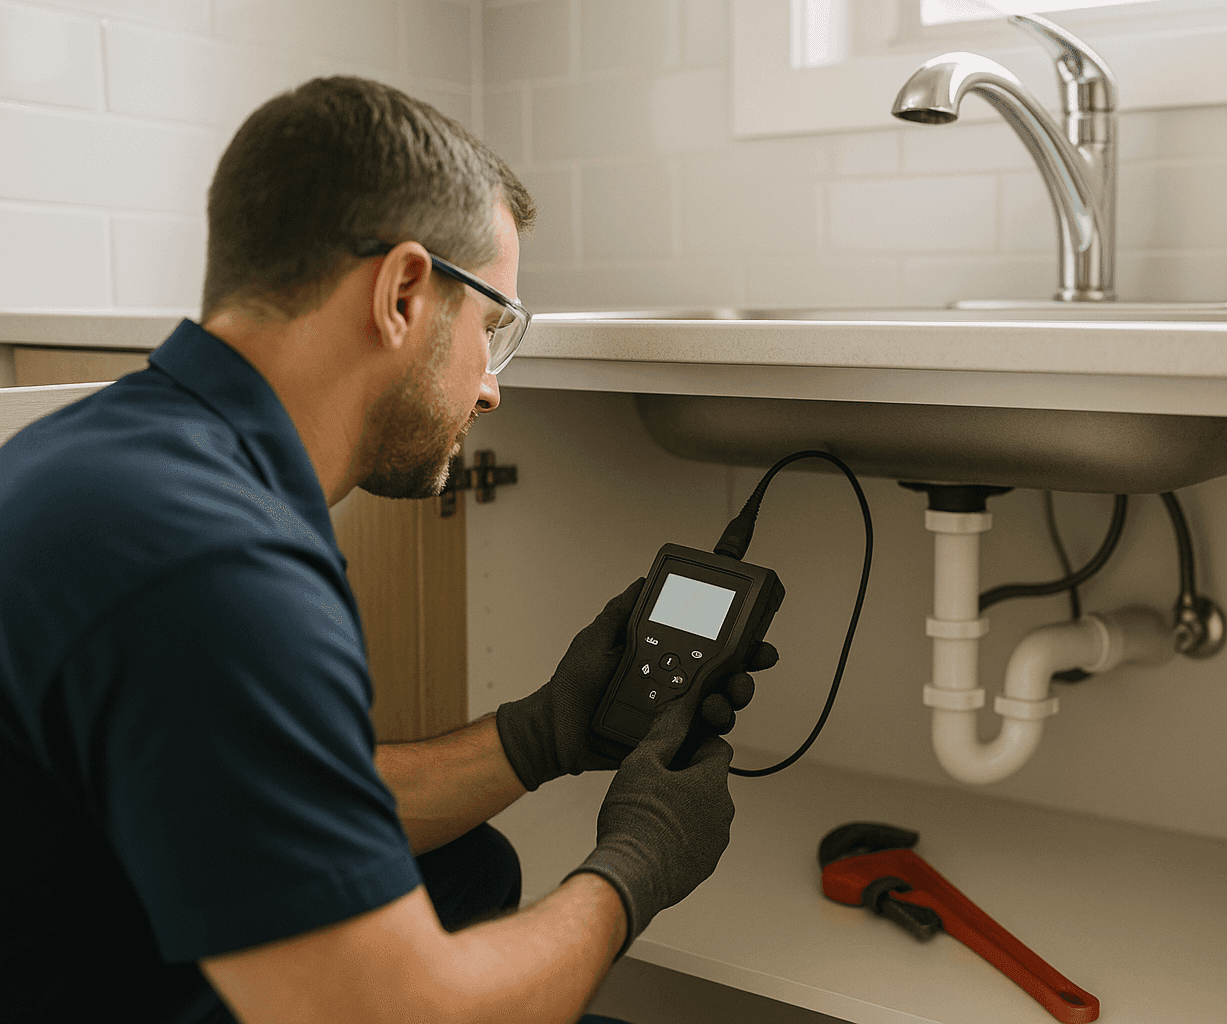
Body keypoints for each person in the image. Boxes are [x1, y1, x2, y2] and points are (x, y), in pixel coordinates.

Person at [0, 76, 773, 1023]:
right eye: (491, 328)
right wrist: (636, 868)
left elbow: (260, 788)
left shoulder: (134, 460)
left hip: (82, 944)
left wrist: (543, 733)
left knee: (469, 867)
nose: (490, 389)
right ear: (404, 292)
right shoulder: (215, 565)